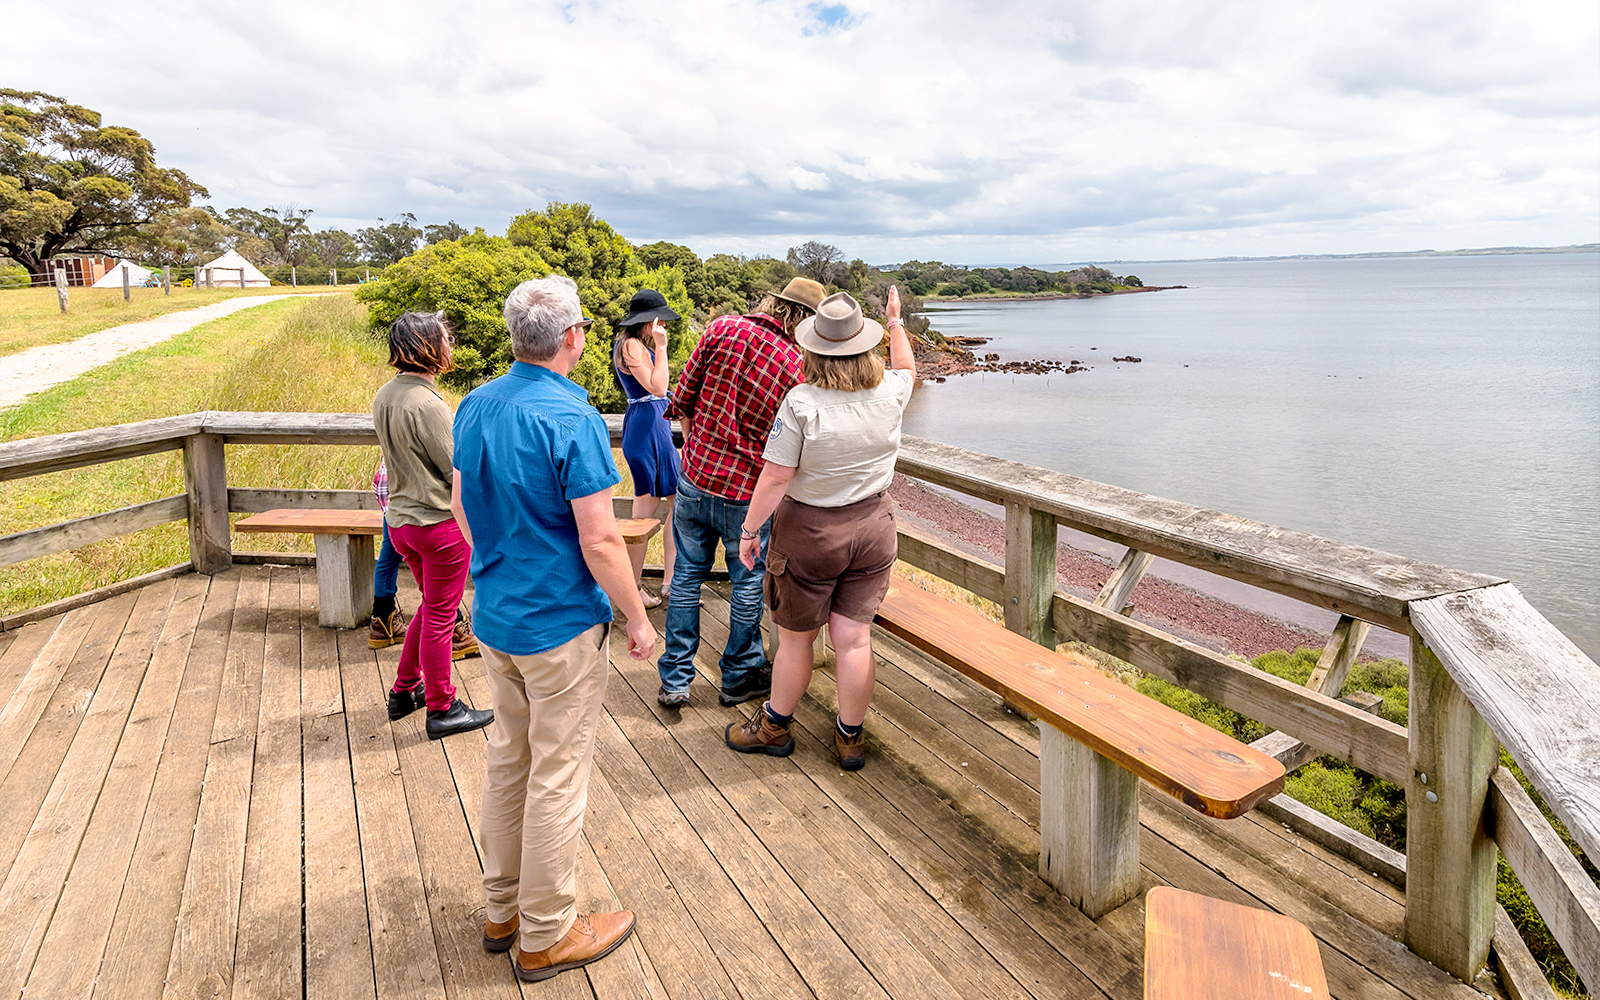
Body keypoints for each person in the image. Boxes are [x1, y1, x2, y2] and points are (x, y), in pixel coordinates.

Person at [451, 274, 656, 983]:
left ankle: (501, 910)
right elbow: (601, 541)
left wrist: (496, 566)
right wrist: (636, 616)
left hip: (498, 614)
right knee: (558, 776)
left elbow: (460, 504)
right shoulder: (572, 418)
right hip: (561, 624)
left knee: (510, 760)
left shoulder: (475, 404)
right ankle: (546, 934)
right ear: (573, 338)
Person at [724, 288, 916, 771]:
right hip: (874, 526)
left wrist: (750, 532)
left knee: (795, 639)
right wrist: (895, 322)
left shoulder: (802, 402)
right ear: (864, 345)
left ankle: (774, 727)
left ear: (814, 348)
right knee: (854, 639)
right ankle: (850, 737)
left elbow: (776, 476)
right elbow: (910, 369)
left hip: (810, 533)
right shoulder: (891, 391)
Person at [656, 277, 825, 709]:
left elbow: (683, 400)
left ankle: (675, 677)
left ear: (774, 302)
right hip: (747, 495)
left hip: (695, 480)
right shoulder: (796, 367)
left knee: (687, 577)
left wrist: (695, 453)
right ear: (806, 321)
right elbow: (795, 447)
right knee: (747, 583)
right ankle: (739, 674)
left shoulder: (720, 329)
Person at [371, 312, 493, 740]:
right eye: (446, 338)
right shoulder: (428, 404)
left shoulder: (386, 394)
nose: (451, 345)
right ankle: (443, 707)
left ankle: (405, 690)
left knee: (430, 608)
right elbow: (456, 469)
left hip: (402, 522)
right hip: (438, 524)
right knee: (442, 616)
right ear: (428, 346)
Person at [612, 288, 682, 609]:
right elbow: (656, 386)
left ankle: (667, 581)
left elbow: (660, 389)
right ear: (647, 321)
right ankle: (638, 586)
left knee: (672, 504)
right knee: (646, 513)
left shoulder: (632, 345)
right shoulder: (631, 346)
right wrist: (662, 348)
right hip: (646, 427)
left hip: (653, 422)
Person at [370, 457, 480, 660]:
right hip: (421, 497)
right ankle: (456, 630)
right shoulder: (434, 425)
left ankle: (382, 621)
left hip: (392, 487)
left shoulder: (391, 424)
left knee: (389, 553)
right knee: (441, 580)